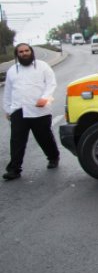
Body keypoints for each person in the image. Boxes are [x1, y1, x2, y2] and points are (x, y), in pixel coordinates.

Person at [3, 43, 60, 180]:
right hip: (18, 110)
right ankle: (14, 169)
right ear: (17, 54)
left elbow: (51, 83)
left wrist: (45, 98)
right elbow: (8, 91)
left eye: (26, 50)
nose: (24, 53)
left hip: (39, 109)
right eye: (21, 52)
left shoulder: (42, 66)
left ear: (31, 52)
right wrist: (8, 109)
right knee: (17, 141)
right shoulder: (12, 70)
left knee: (44, 137)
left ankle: (53, 157)